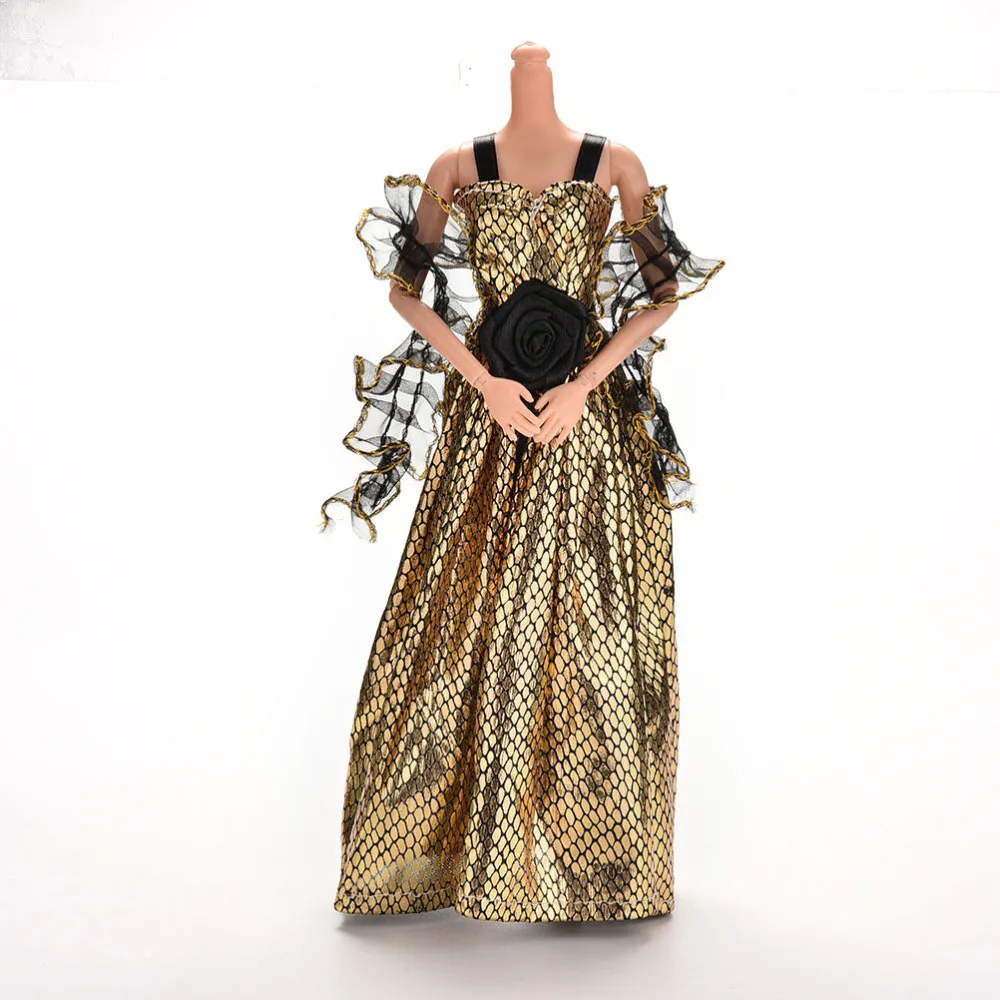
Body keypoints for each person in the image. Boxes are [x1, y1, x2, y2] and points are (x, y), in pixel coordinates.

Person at [320, 42, 725, 922]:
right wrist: (483, 382)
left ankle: (600, 867)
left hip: (587, 427)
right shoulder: (457, 166)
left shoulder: (614, 163)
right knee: (463, 614)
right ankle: (447, 856)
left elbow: (663, 295)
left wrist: (583, 385)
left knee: (593, 626)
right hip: (492, 422)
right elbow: (406, 291)